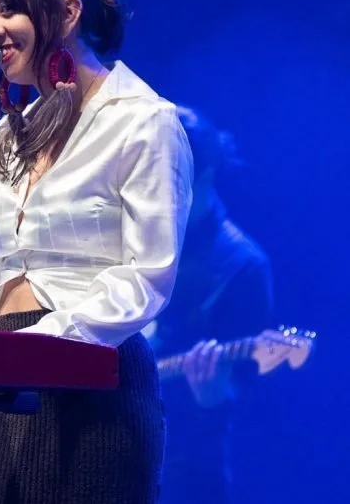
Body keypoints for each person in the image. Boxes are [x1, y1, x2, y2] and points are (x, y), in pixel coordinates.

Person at [0, 0, 193, 504]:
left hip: (93, 380)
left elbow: (148, 275)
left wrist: (42, 342)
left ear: (69, 13)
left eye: (7, 10)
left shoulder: (144, 123)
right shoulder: (4, 138)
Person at [147, 107, 273, 504]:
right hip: (118, 434)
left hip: (186, 460)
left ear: (206, 174)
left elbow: (251, 395)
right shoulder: (134, 233)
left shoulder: (242, 264)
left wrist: (215, 399)